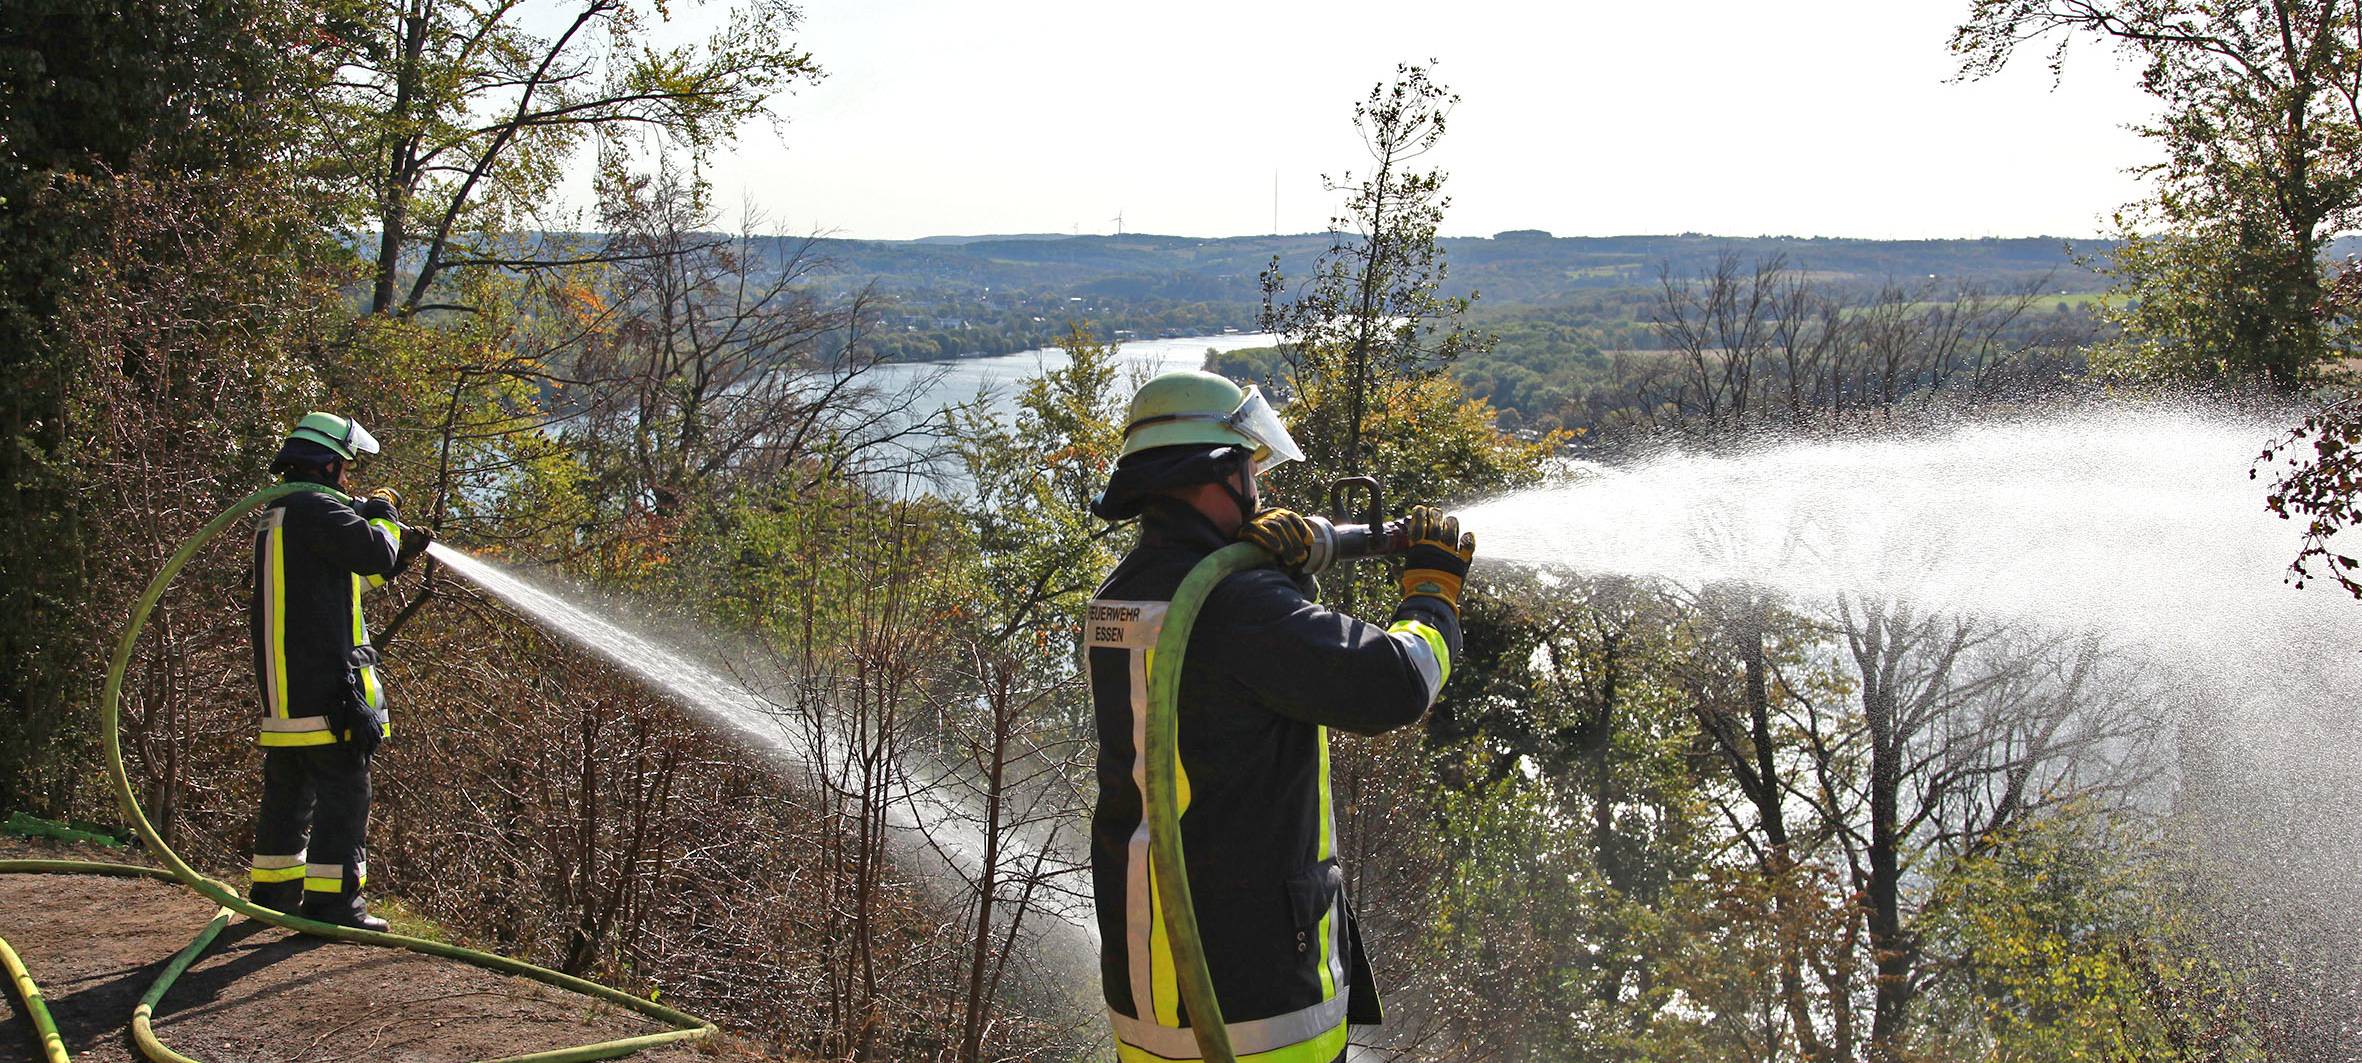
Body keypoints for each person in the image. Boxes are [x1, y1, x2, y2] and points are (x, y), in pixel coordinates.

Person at [1085, 370, 1475, 1063]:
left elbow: (1225, 697)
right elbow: (1398, 681)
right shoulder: (1237, 606)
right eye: (1250, 468)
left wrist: (1283, 576)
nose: (1259, 489)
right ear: (1216, 474)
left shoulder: (1120, 598)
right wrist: (1433, 593)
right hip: (1255, 1011)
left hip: (1148, 994)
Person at [246, 412, 431, 931]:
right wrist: (385, 514)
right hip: (326, 687)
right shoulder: (316, 508)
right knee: (346, 793)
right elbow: (371, 547)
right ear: (328, 464)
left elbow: (339, 585)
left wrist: (401, 553)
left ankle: (274, 895)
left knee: (289, 794)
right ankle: (334, 906)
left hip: (285, 690)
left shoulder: (280, 514)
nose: (349, 481)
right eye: (347, 470)